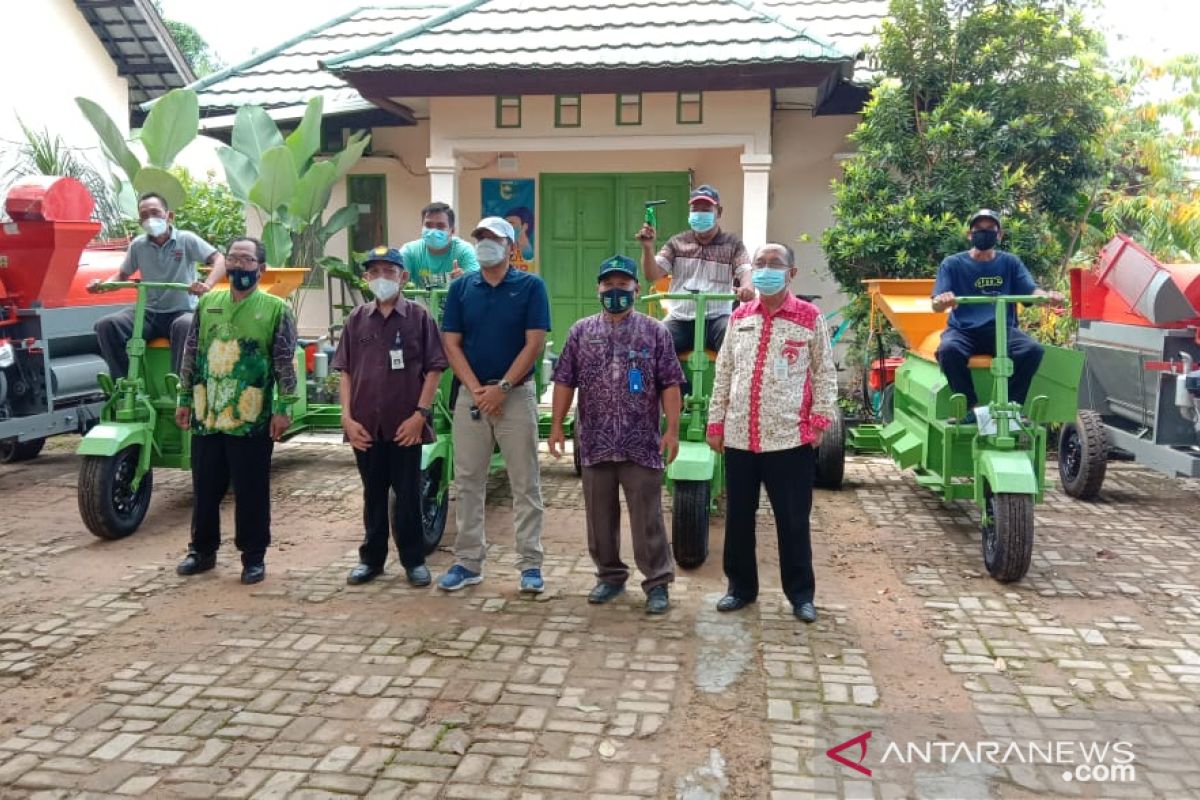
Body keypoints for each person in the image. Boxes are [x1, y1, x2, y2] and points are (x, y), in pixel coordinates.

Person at [705, 243, 837, 623]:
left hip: (789, 438)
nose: (765, 269)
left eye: (774, 264)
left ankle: (800, 595)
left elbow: (824, 373)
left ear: (791, 273)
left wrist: (819, 422)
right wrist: (716, 422)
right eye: (759, 263)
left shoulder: (809, 317)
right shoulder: (740, 317)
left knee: (792, 520)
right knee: (739, 519)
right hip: (741, 438)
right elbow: (725, 372)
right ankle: (740, 589)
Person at [549, 255, 685, 615]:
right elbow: (564, 380)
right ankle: (609, 576)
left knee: (647, 516)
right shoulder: (580, 331)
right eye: (608, 285)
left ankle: (657, 582)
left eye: (622, 285)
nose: (615, 291)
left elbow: (671, 383)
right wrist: (558, 425)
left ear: (636, 290)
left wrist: (671, 430)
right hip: (594, 442)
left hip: (642, 443)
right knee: (599, 515)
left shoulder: (656, 332)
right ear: (598, 288)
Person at [173, 237, 297, 585]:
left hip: (251, 418)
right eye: (233, 259)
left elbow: (285, 364)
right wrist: (184, 399)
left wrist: (284, 408)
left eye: (246, 260)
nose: (239, 265)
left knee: (251, 490)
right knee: (205, 487)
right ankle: (202, 550)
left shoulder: (275, 310)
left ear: (261, 268)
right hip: (207, 415)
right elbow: (191, 354)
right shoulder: (208, 303)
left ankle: (253, 557)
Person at [437, 217, 551, 594]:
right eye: (480, 238)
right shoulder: (461, 288)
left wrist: (502, 388)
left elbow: (534, 343)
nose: (485, 244)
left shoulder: (531, 287)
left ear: (510, 246)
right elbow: (451, 343)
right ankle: (468, 561)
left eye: (493, 238)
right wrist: (477, 389)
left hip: (515, 396)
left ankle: (530, 565)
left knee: (525, 482)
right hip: (472, 396)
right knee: (468, 481)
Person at [333, 246, 448, 587]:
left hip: (405, 426)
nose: (382, 278)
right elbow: (345, 372)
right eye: (375, 272)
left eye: (389, 271)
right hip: (365, 426)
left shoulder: (419, 317)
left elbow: (434, 369)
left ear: (403, 277)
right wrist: (347, 419)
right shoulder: (357, 319)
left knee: (408, 494)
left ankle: (413, 560)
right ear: (366, 278)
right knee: (373, 494)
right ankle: (371, 559)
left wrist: (419, 415)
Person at [931, 209, 1065, 423]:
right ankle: (971, 408)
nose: (984, 234)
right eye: (979, 230)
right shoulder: (953, 264)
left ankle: (1012, 408)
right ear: (969, 234)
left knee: (1032, 350)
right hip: (963, 330)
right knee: (948, 350)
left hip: (1001, 330)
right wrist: (943, 300)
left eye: (990, 230)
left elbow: (1030, 291)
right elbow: (937, 303)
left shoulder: (1010, 263)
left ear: (999, 235)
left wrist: (1047, 296)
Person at [90, 192, 227, 377]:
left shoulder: (186, 239)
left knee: (184, 326)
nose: (150, 219)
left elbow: (220, 259)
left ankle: (181, 386)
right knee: (106, 325)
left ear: (169, 216)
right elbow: (122, 274)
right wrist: (102, 285)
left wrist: (207, 285)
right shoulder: (138, 246)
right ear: (140, 222)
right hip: (148, 313)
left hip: (183, 309)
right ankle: (123, 385)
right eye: (144, 215)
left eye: (155, 212)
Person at [637, 184, 754, 355]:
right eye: (695, 209)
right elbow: (652, 274)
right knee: (652, 345)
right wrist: (647, 248)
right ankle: (678, 383)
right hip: (680, 319)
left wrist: (747, 287)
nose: (700, 214)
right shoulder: (677, 242)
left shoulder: (732, 243)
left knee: (738, 343)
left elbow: (744, 269)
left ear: (719, 212)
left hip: (717, 318)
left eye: (706, 209)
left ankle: (729, 383)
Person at [399, 202, 480, 289]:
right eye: (428, 225)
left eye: (440, 226)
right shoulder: (409, 252)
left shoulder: (465, 251)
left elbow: (477, 286)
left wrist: (466, 280)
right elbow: (398, 285)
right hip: (419, 303)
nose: (433, 231)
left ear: (452, 231)